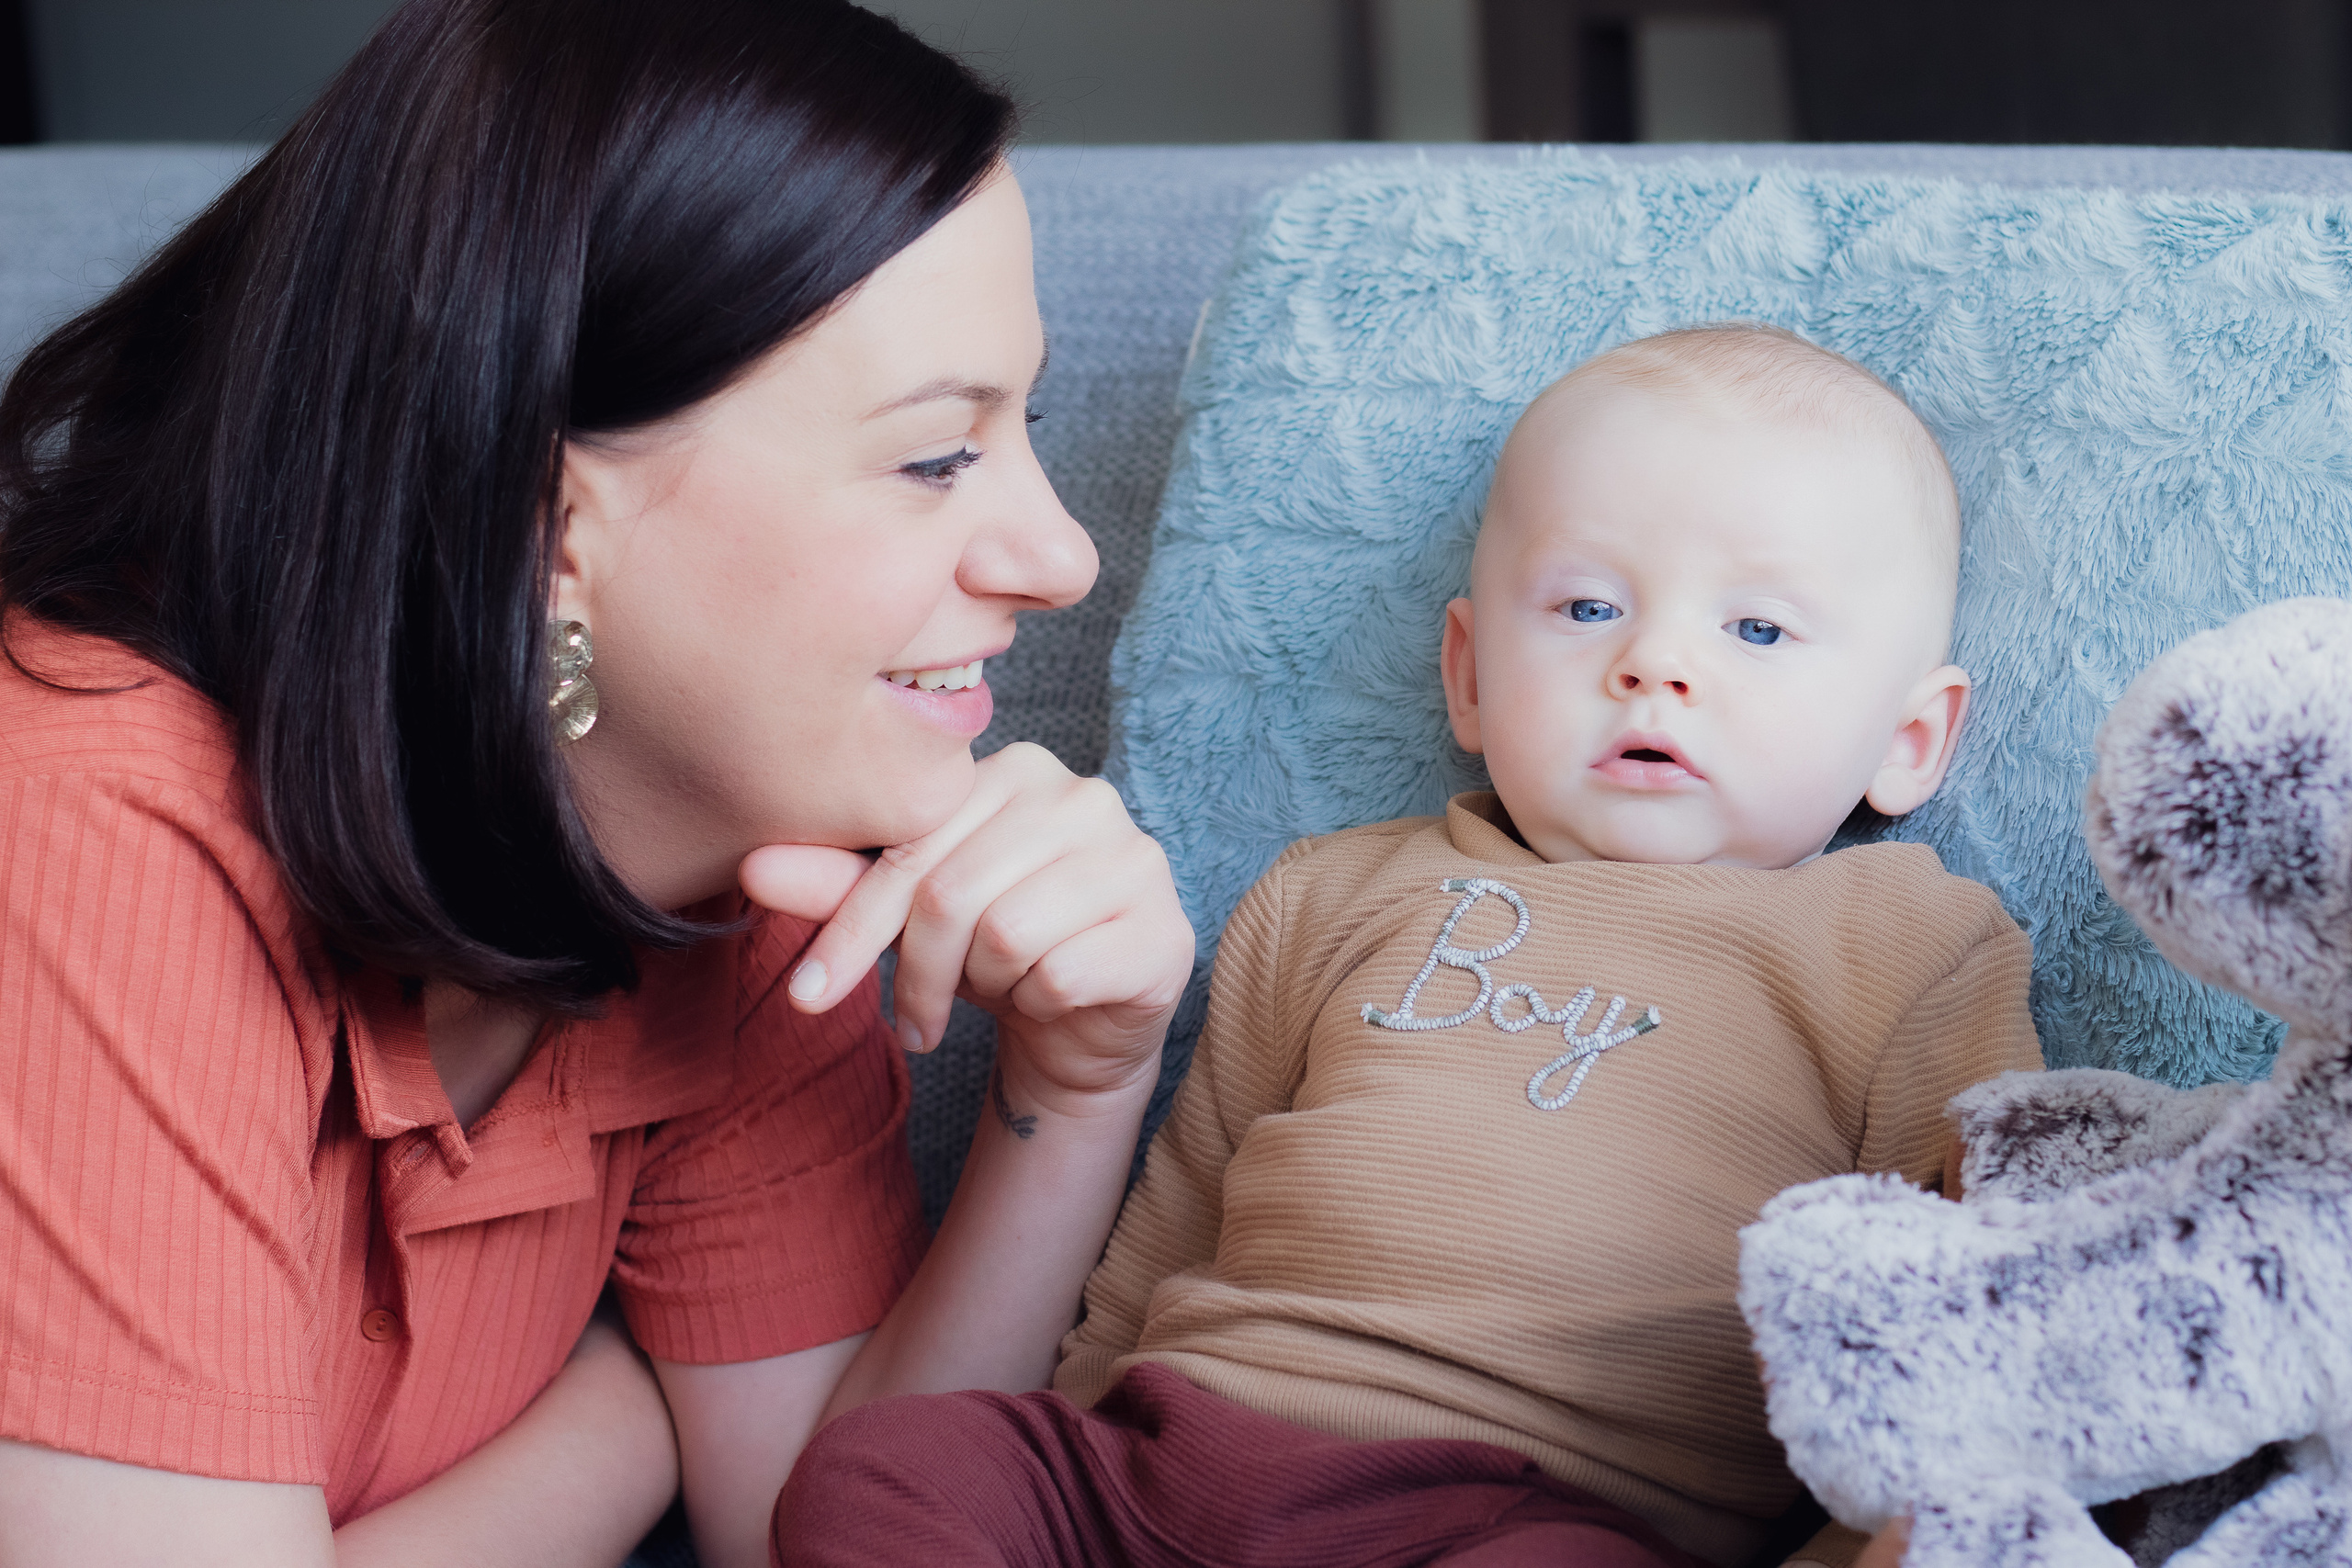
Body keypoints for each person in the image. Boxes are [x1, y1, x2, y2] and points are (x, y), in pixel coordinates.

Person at [0, 3, 1194, 1565]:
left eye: (1018, 426)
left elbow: (834, 1536)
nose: (1063, 558)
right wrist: (630, 1408)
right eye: (933, 457)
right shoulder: (81, 821)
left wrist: (1076, 1089)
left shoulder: (738, 850)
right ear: (546, 528)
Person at [773, 324, 2045, 1568]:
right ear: (1472, 676)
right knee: (884, 1469)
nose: (1654, 664)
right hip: (1168, 1464)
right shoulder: (1329, 895)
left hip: (1530, 1511)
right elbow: (1180, 1214)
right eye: (1589, 605)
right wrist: (1092, 1431)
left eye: (1757, 631)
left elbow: (1964, 1315)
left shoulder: (1908, 951)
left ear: (1909, 742)